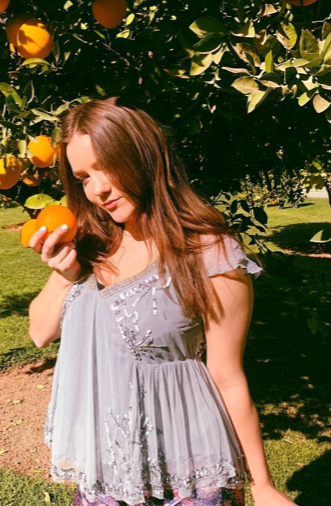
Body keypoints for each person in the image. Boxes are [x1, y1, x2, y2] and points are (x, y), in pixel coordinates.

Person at [28, 97, 297, 506]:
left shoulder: (209, 253)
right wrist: (63, 276)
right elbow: (40, 333)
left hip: (189, 473)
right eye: (84, 177)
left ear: (143, 155)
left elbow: (227, 377)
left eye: (106, 166)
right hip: (108, 474)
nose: (98, 190)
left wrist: (262, 486)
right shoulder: (92, 245)